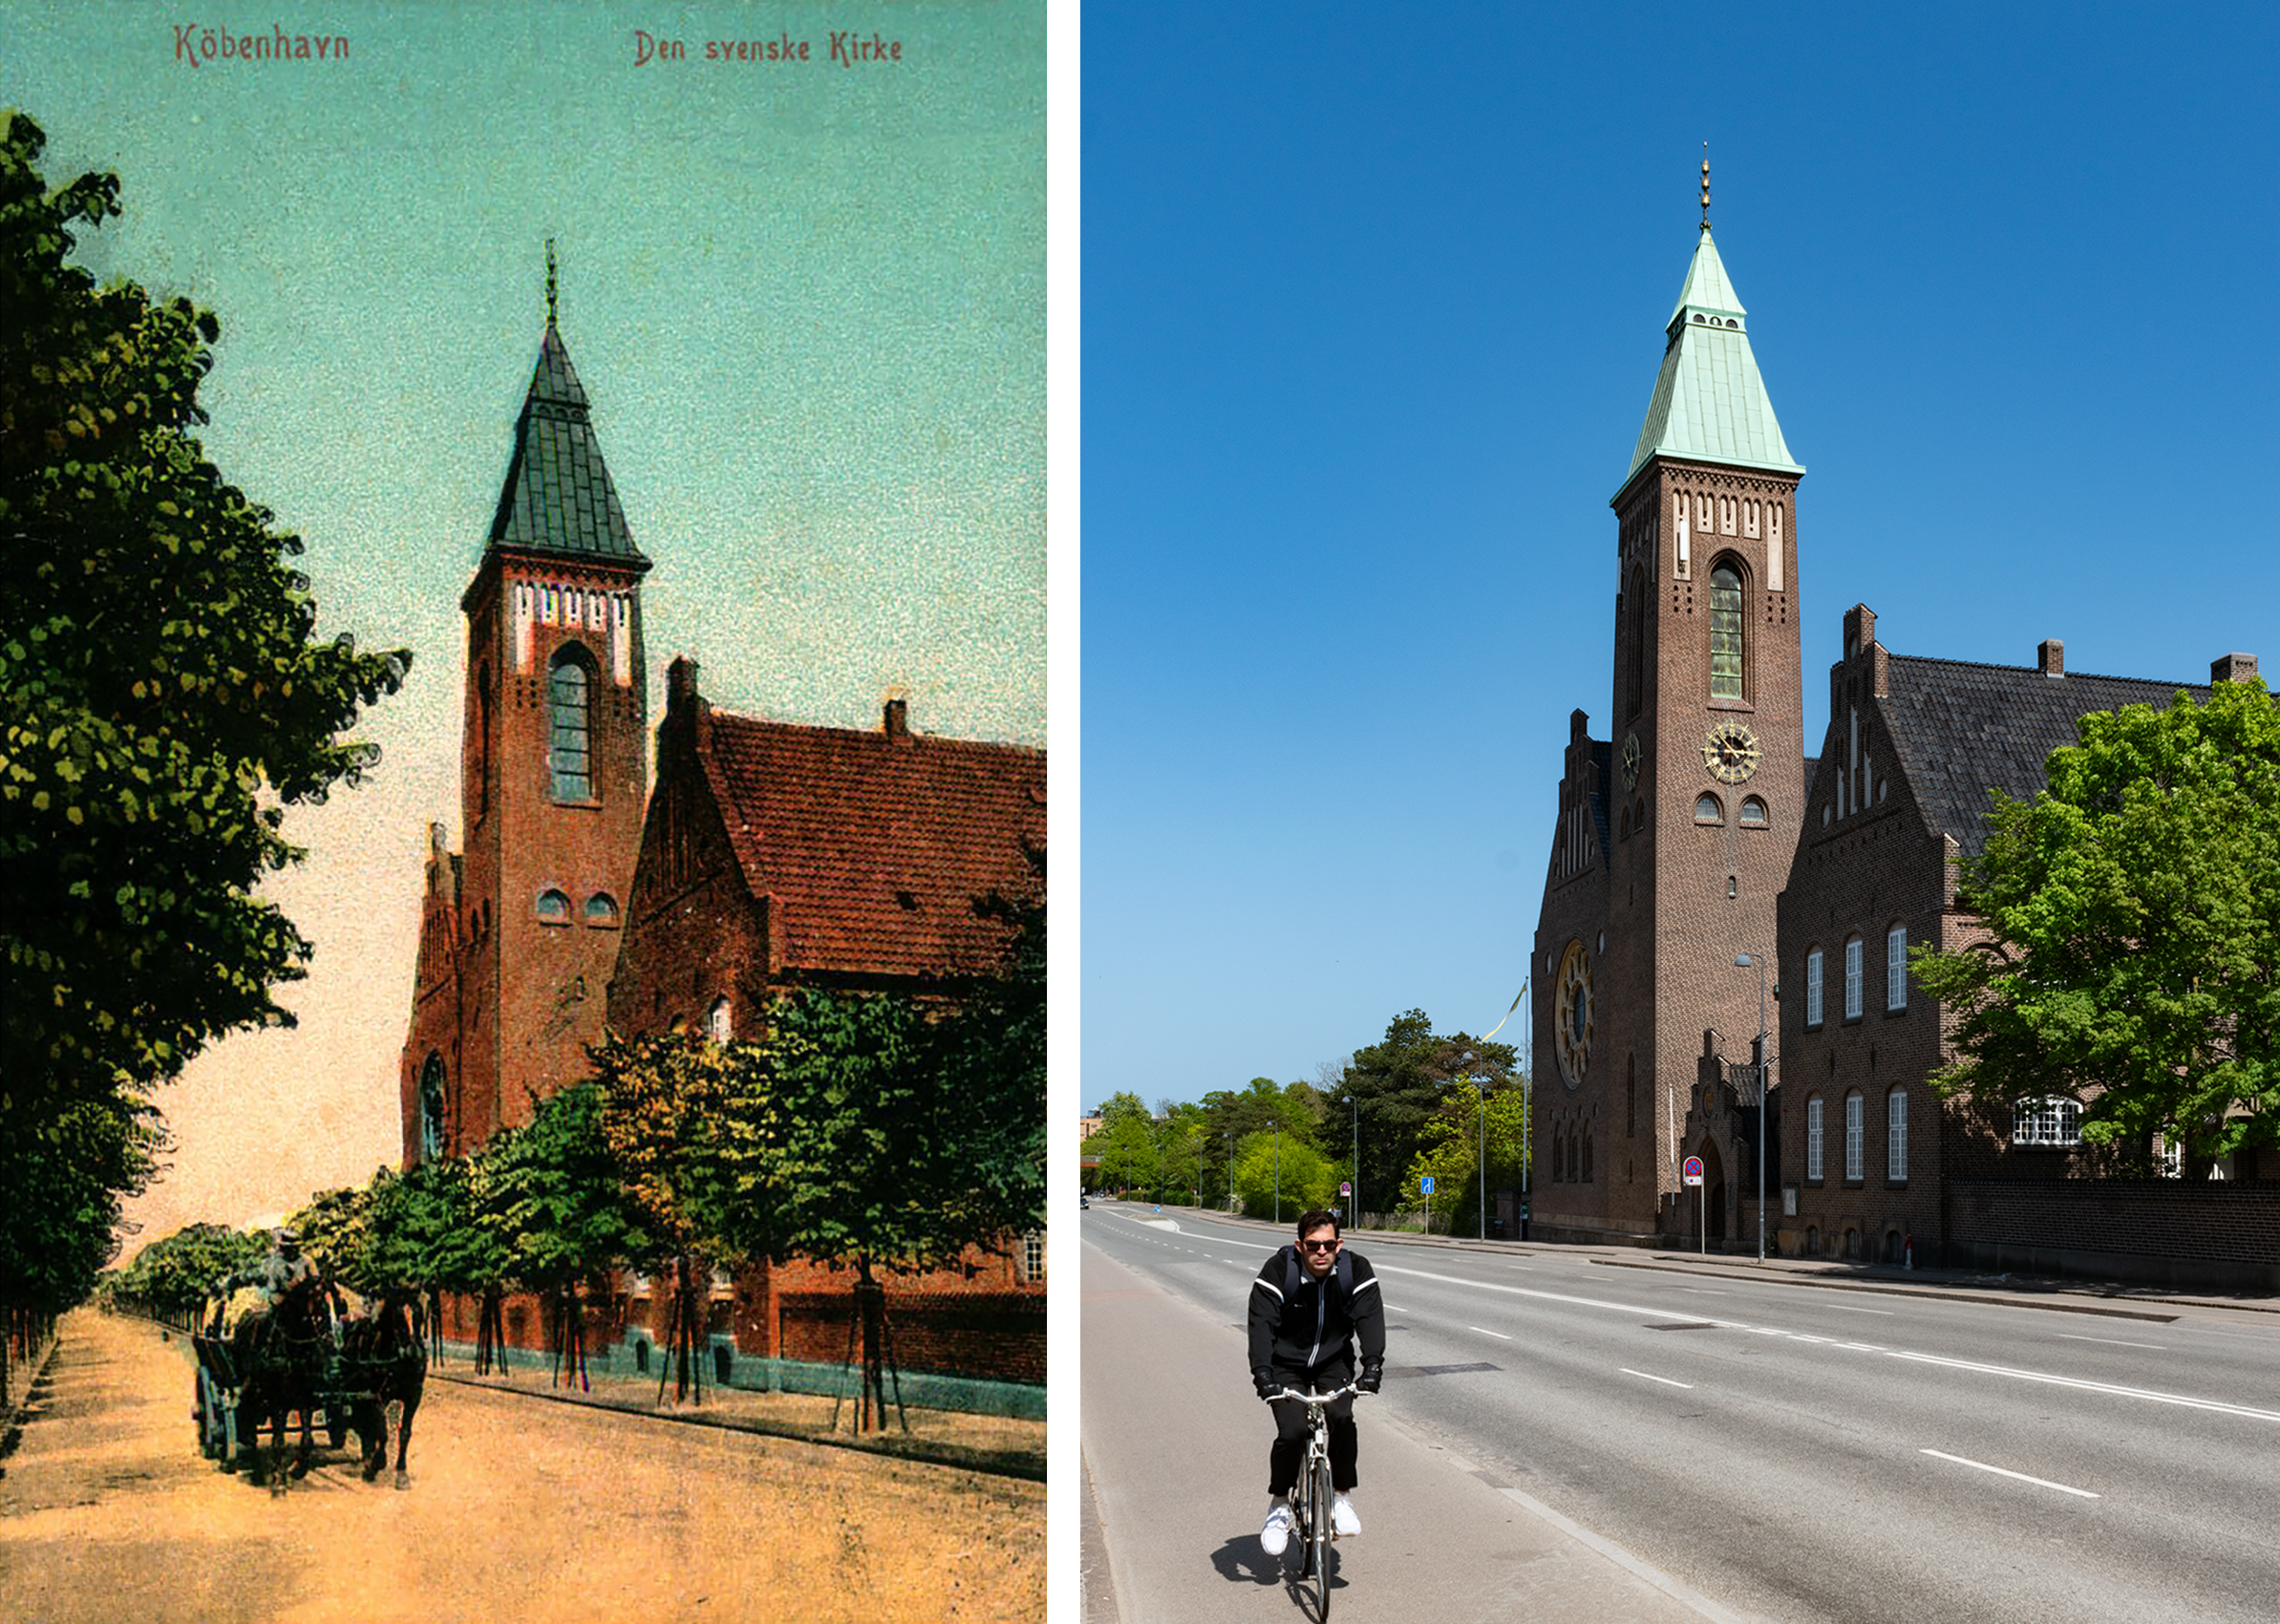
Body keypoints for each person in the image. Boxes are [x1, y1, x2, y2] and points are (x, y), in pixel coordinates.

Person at [1247, 1208, 1385, 1556]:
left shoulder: (1356, 1270)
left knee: (1341, 1417)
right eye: (1312, 1245)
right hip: (1285, 1364)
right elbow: (1261, 1326)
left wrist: (1372, 1367)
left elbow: (1369, 1319)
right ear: (1299, 1245)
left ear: (1339, 1244)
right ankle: (1279, 1507)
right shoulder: (1279, 1271)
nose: (1321, 1252)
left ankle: (1341, 1498)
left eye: (1328, 1245)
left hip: (1333, 1360)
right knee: (1292, 1431)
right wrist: (1263, 1375)